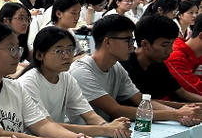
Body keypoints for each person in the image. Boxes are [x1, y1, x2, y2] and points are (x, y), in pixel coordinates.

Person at [69, 14, 201, 126]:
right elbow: (116, 110)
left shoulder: (116, 68)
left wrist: (182, 111)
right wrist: (176, 114)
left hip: (103, 132)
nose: (132, 45)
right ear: (107, 42)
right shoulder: (82, 71)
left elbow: (141, 101)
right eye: (127, 40)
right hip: (78, 135)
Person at [17, 26, 132, 138]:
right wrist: (105, 130)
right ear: (39, 55)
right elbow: (47, 127)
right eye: (59, 51)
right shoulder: (28, 83)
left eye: (70, 50)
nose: (66, 56)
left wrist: (109, 127)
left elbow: (89, 114)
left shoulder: (66, 78)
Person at [120, 15, 202, 103]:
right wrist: (179, 111)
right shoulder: (125, 66)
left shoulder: (158, 64)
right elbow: (142, 102)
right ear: (145, 44)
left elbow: (183, 94)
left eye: (171, 44)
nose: (170, 50)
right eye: (164, 45)